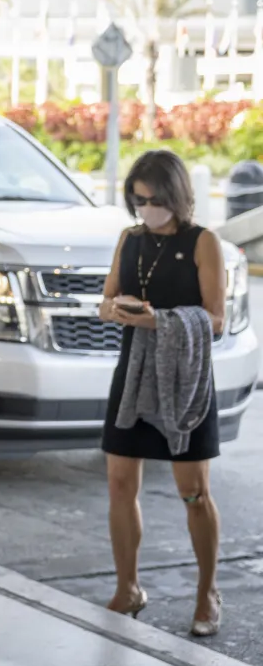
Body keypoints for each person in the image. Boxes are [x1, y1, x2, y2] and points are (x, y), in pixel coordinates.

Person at [98, 149, 225, 637]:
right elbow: (108, 296)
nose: (144, 208)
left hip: (186, 381)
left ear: (176, 196)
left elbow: (215, 319)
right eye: (137, 199)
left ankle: (207, 593)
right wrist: (114, 310)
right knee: (119, 486)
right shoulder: (129, 239)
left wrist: (160, 321)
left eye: (152, 199)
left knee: (194, 493)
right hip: (132, 375)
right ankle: (127, 587)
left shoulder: (203, 242)